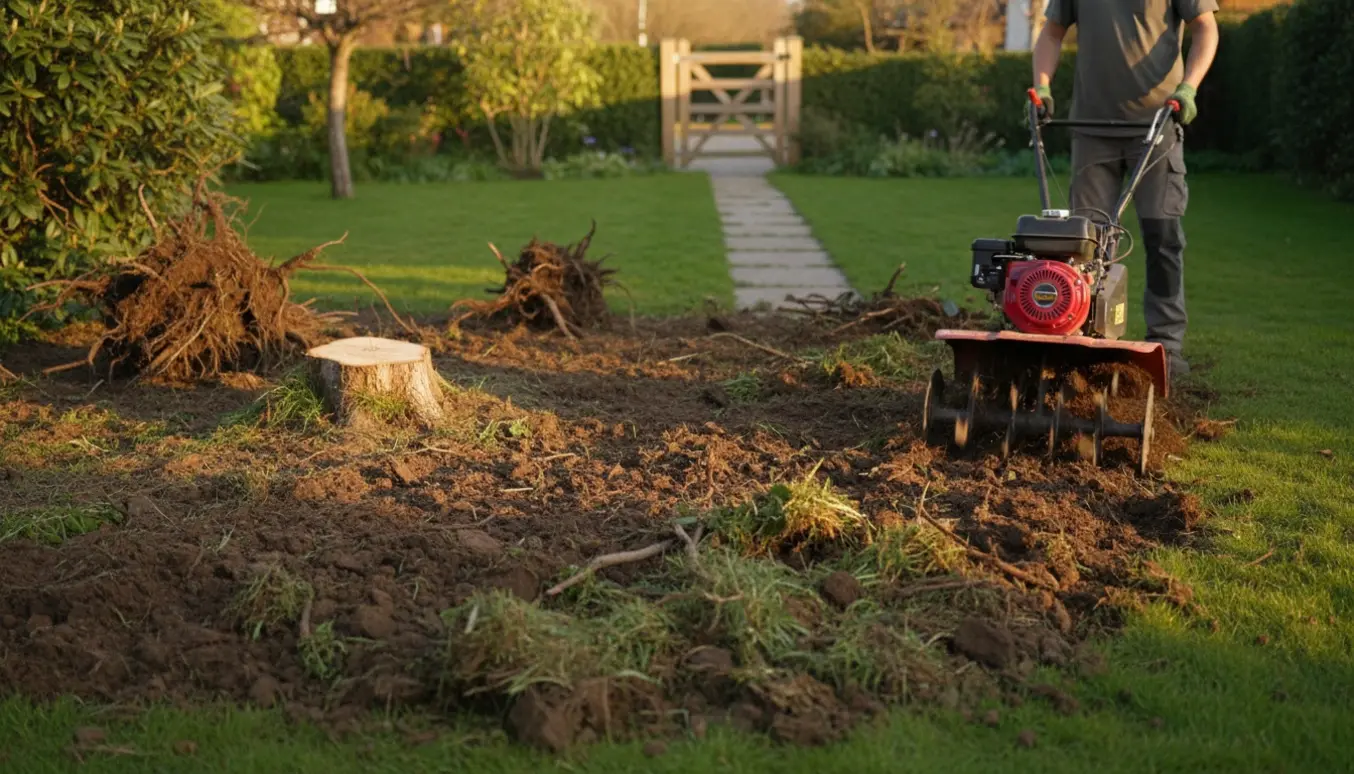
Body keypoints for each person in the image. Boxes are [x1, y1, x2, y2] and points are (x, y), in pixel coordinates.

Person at [1031, 0, 1219, 382]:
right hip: (1091, 128)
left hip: (1157, 124)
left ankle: (1166, 343)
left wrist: (1188, 88)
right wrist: (1042, 86)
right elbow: (1051, 33)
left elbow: (1205, 27)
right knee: (1087, 245)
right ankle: (1087, 339)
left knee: (1163, 236)